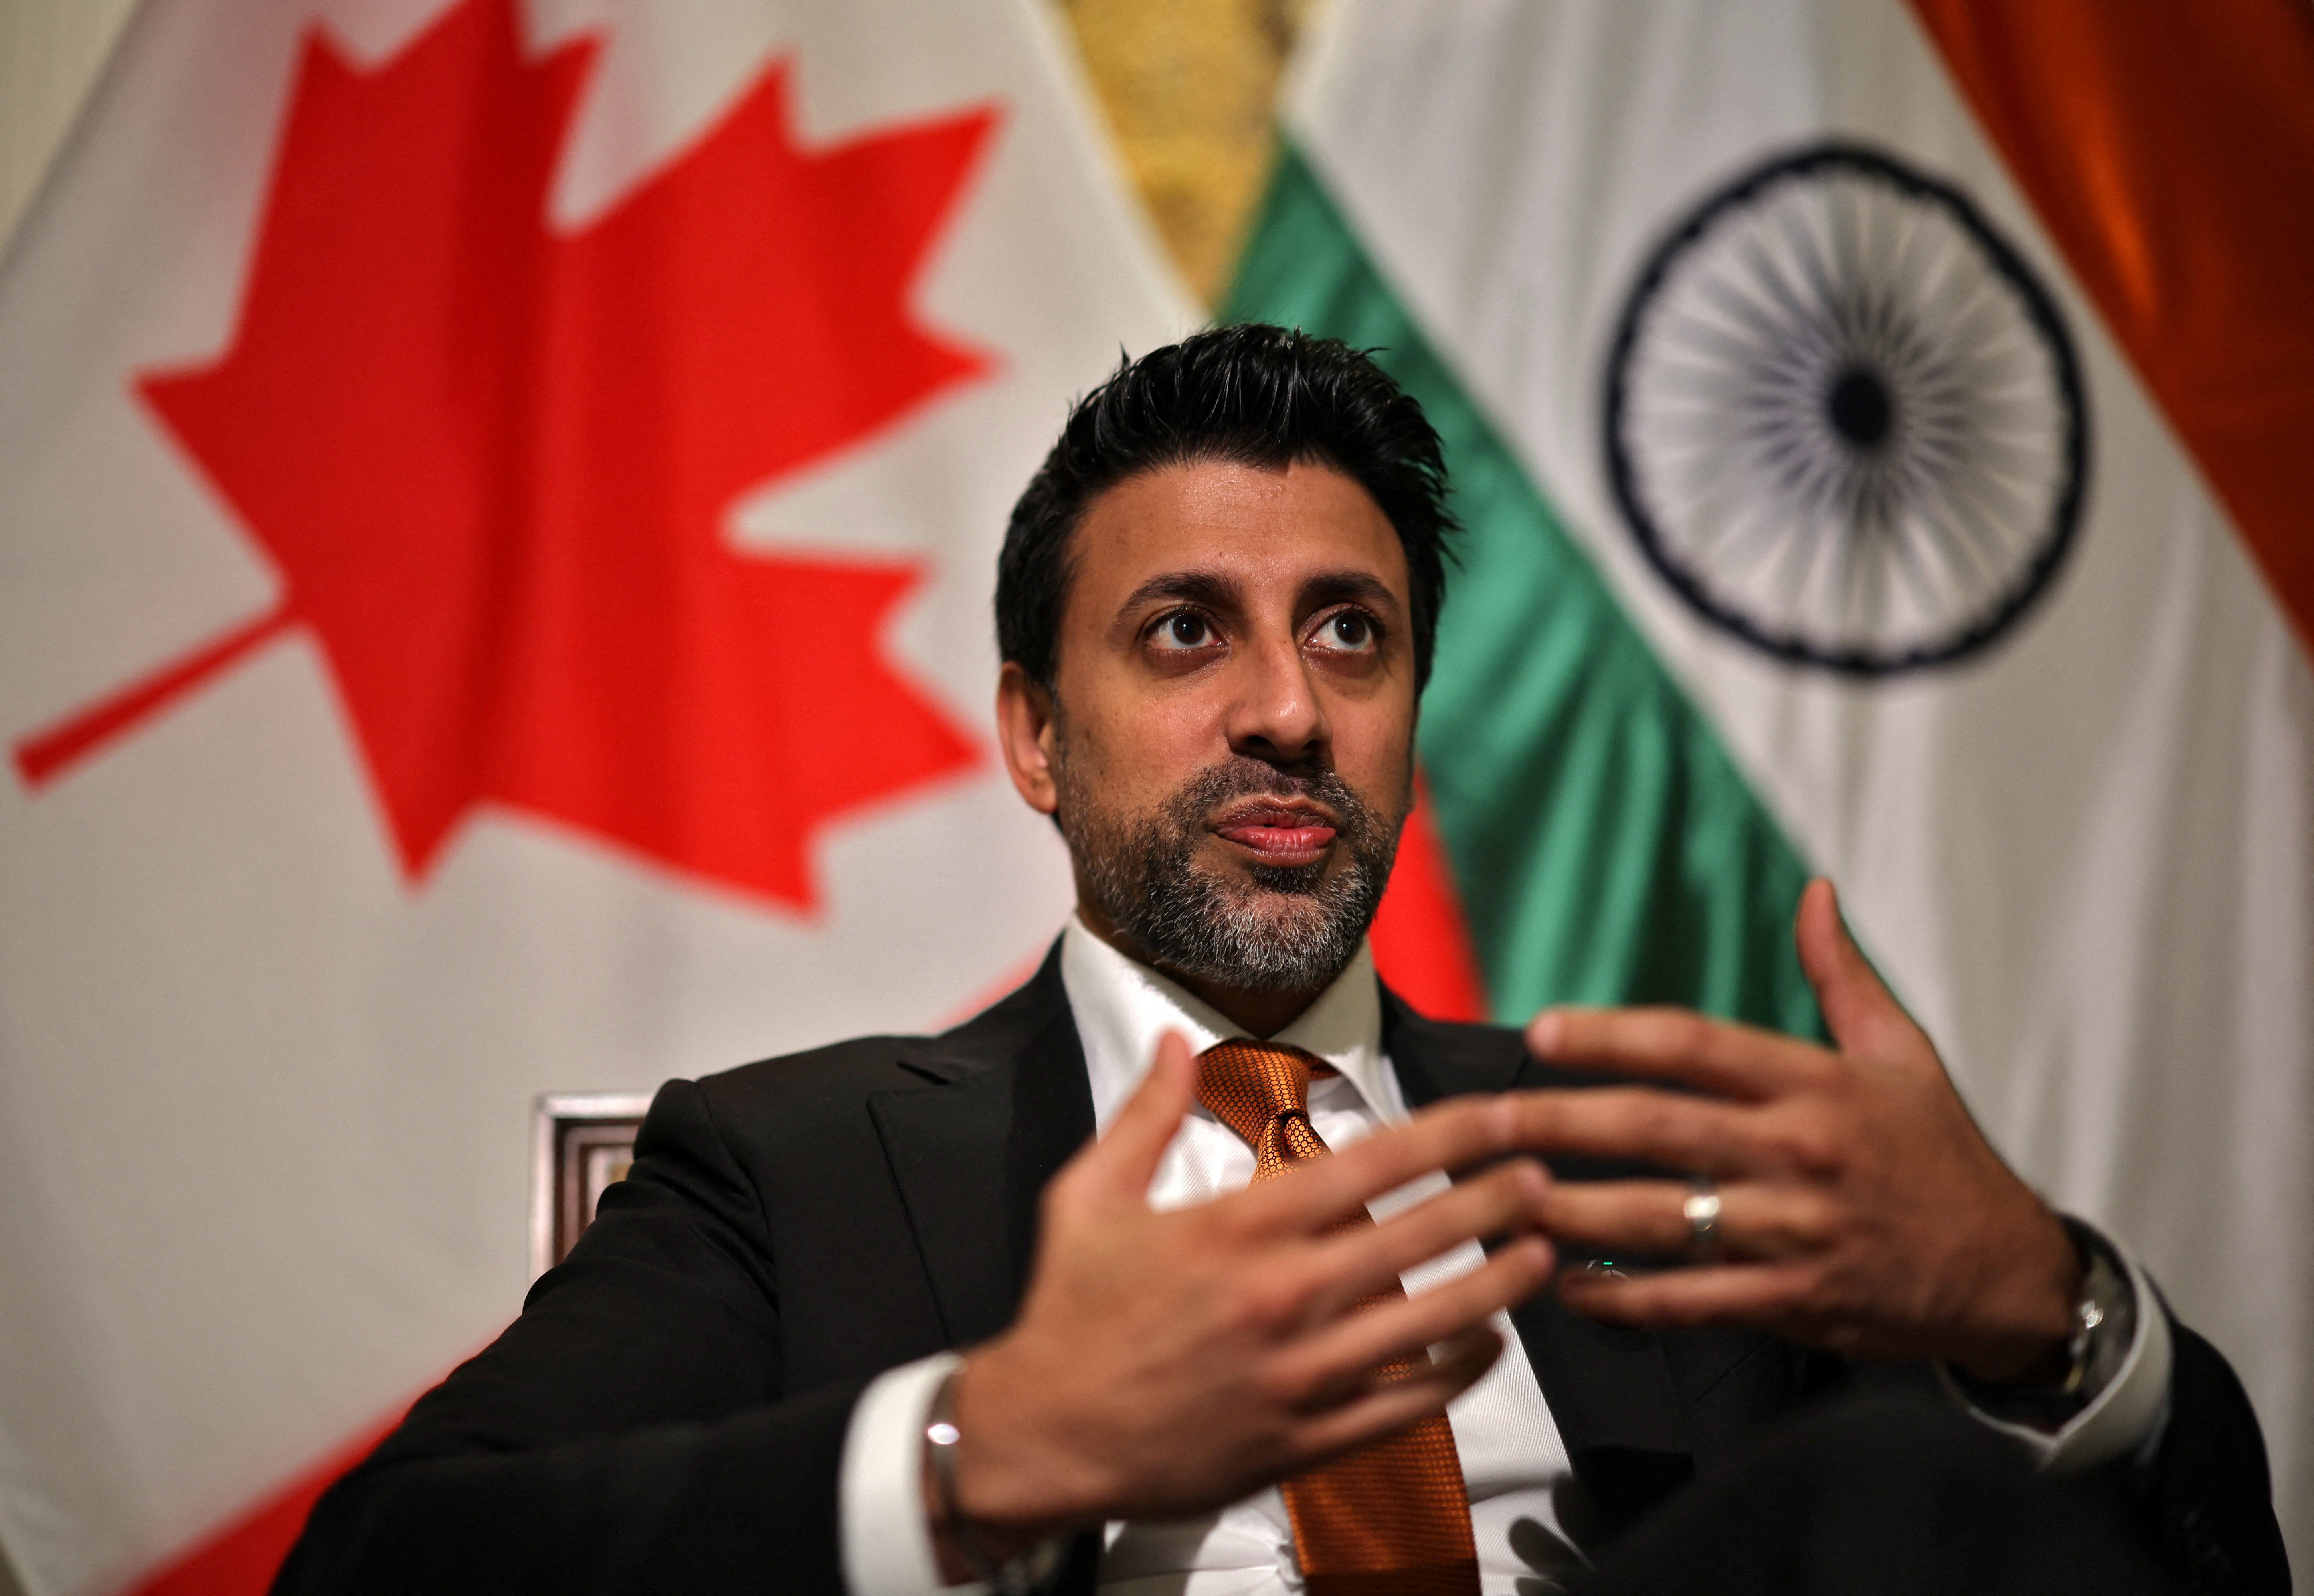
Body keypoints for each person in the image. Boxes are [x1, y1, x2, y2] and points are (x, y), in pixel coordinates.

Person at [276, 327, 2286, 1596]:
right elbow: (389, 1563)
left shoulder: (1626, 1155)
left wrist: (2046, 1314)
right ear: (1034, 736)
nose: (1287, 711)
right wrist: (993, 1450)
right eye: (1184, 633)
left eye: (1350, 633)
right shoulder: (793, 1169)